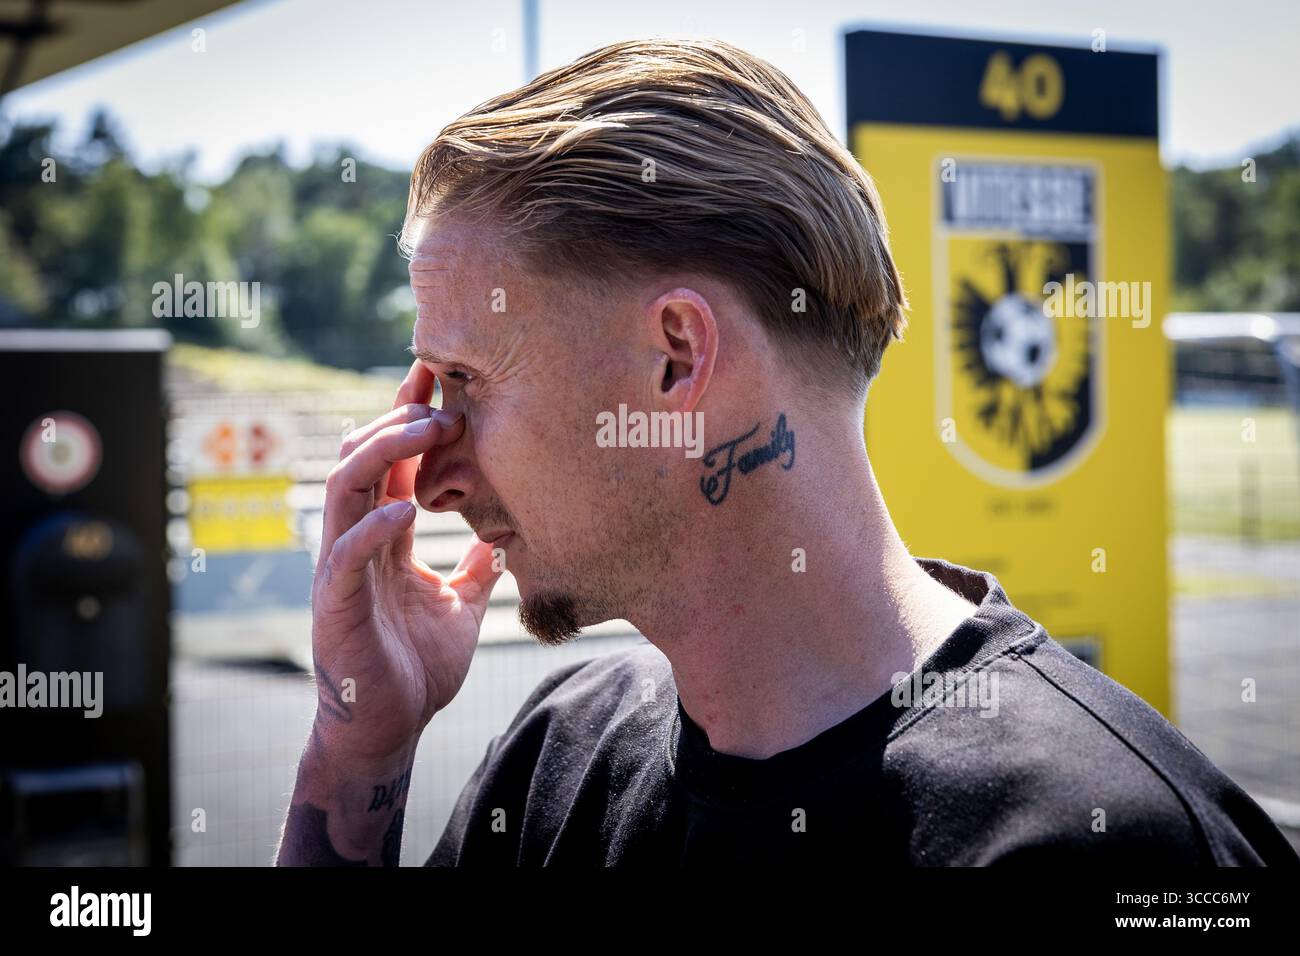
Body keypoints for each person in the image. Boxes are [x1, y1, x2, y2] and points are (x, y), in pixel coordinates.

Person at [275, 38, 1299, 866]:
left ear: (676, 358)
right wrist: (362, 738)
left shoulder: (1107, 840)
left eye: (465, 380)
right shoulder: (558, 759)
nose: (433, 474)